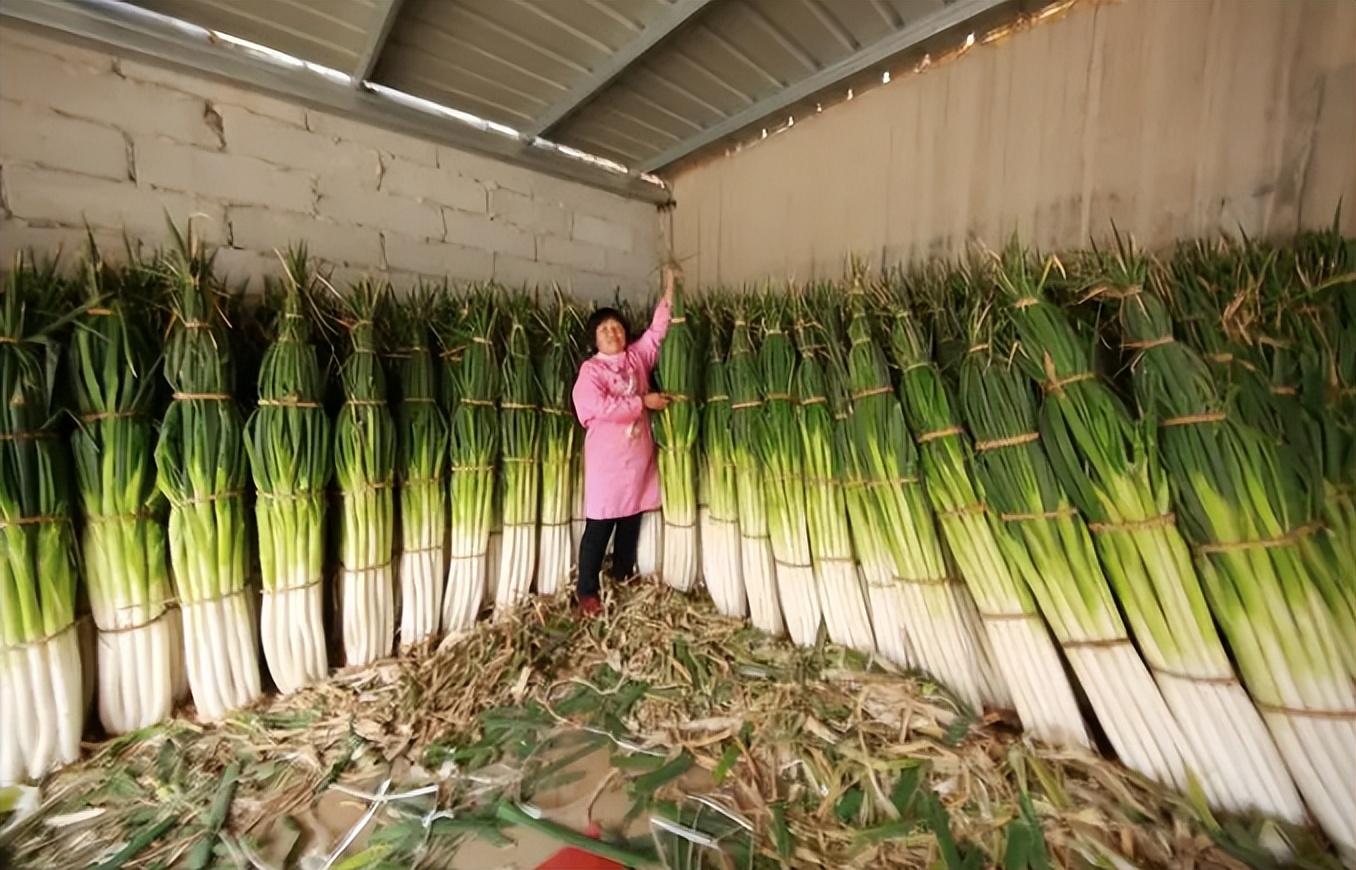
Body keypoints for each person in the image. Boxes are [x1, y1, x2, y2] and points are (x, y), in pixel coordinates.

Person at [571, 265, 677, 615]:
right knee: (600, 524)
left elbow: (657, 332)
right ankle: (586, 591)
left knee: (632, 518)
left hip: (637, 456)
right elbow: (594, 406)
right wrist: (641, 402)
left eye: (616, 326)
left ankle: (621, 573)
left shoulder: (636, 358)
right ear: (595, 339)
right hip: (607, 461)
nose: (612, 333)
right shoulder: (592, 370)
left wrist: (670, 287)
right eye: (604, 330)